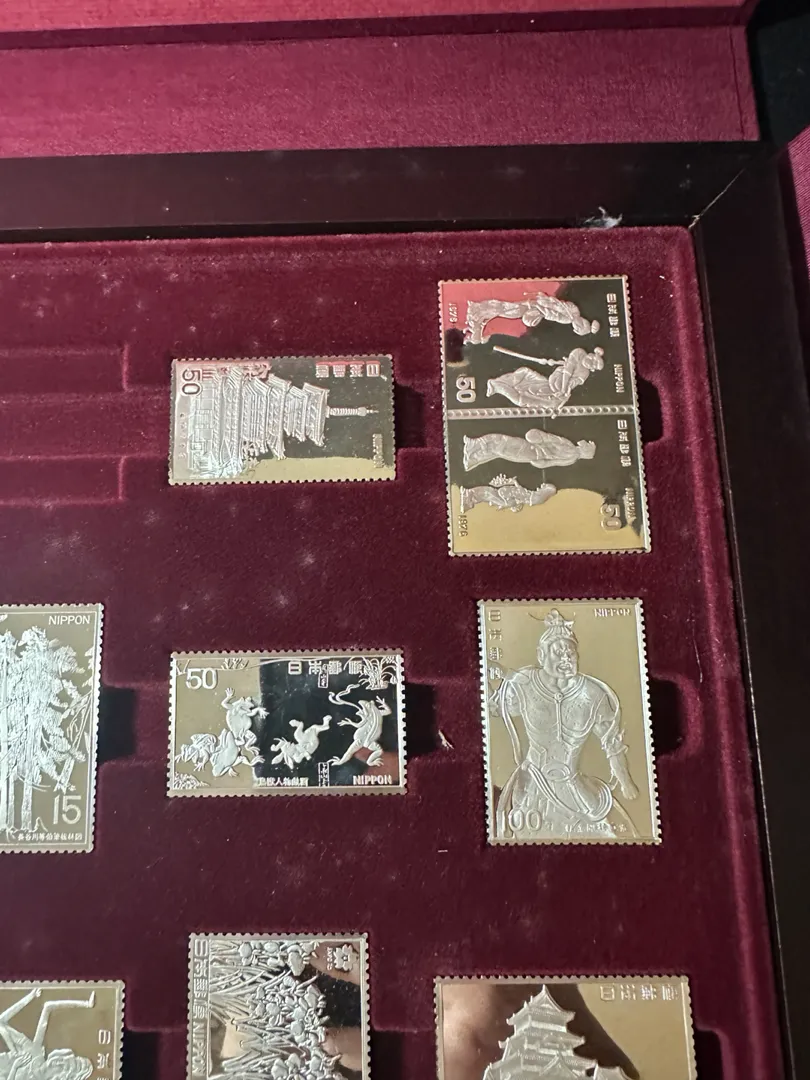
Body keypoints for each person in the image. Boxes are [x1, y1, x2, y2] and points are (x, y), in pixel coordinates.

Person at [491, 609, 638, 840]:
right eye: (558, 653)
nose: (566, 658)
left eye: (571, 652)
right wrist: (490, 679)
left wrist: (625, 781)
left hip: (574, 786)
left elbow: (612, 743)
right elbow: (497, 710)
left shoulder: (593, 694)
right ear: (541, 655)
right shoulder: (524, 684)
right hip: (532, 785)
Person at [0, 988, 94, 1080]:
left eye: (63, 1066)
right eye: (63, 1059)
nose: (59, 1062)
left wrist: (15, 1068)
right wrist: (30, 996)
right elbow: (48, 1007)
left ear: (63, 1076)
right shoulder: (34, 1052)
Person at [486, 347, 604, 415]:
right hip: (556, 380)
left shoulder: (584, 373)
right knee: (525, 374)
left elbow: (572, 383)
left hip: (555, 388)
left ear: (592, 369)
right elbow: (568, 372)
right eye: (593, 359)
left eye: (594, 365)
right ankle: (497, 384)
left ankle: (497, 386)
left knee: (525, 394)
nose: (591, 362)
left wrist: (563, 391)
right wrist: (563, 388)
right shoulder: (579, 353)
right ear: (591, 354)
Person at [464, 293, 599, 345]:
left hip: (538, 306)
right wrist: (540, 305)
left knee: (510, 311)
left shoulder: (573, 311)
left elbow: (555, 307)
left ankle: (479, 314)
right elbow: (550, 312)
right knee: (509, 311)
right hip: (535, 306)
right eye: (577, 328)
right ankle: (479, 312)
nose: (574, 328)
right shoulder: (569, 317)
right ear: (581, 325)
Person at [462, 430, 595, 472]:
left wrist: (537, 435)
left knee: (501, 442)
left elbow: (550, 438)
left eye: (586, 445)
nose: (583, 443)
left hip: (532, 448)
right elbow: (552, 462)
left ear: (585, 450)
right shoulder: (571, 459)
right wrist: (540, 463)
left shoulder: (571, 448)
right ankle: (472, 456)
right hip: (533, 455)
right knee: (499, 450)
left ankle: (474, 446)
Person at [459, 477, 556, 514]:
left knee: (488, 493)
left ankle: (469, 496)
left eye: (542, 487)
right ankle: (469, 495)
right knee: (488, 493)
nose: (539, 487)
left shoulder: (531, 497)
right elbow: (518, 490)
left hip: (504, 496)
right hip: (504, 495)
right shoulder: (529, 495)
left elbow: (516, 498)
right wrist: (513, 482)